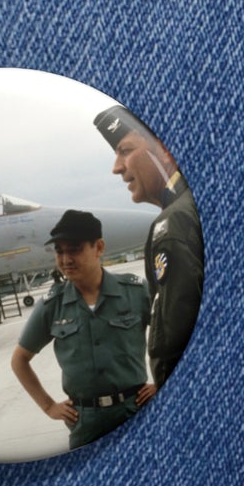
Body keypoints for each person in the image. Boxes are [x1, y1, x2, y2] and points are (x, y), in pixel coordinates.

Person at [10, 210, 153, 450]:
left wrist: (164, 381)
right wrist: (48, 406)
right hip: (86, 424)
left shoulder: (136, 291)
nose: (65, 259)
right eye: (59, 251)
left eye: (74, 249)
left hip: (136, 410)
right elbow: (19, 360)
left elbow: (175, 337)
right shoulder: (51, 305)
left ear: (98, 247)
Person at [94, 105, 204, 390]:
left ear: (166, 150)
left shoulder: (174, 222)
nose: (117, 167)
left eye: (125, 150)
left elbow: (174, 341)